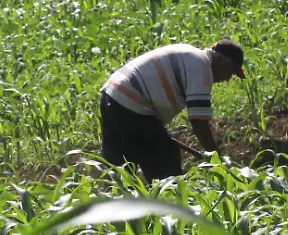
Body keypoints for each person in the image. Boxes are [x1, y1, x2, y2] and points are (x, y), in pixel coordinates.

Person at [99, 39, 245, 182]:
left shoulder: (191, 56)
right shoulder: (202, 68)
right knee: (166, 159)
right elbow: (199, 124)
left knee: (119, 168)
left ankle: (113, 200)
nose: (227, 79)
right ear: (221, 62)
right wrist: (216, 159)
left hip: (112, 96)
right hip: (132, 103)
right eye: (231, 72)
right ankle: (169, 201)